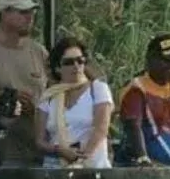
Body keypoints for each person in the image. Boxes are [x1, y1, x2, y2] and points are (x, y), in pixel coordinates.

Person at [0, 0, 48, 166]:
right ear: (3, 14)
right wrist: (6, 96)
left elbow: (54, 96)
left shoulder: (39, 52)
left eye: (32, 12)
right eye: (23, 12)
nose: (30, 17)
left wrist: (37, 108)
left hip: (39, 150)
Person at [118, 33, 170, 166]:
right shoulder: (137, 88)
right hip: (146, 169)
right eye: (168, 60)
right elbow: (133, 126)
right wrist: (143, 159)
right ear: (150, 59)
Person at [36, 37, 114, 169]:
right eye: (69, 62)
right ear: (57, 68)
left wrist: (80, 161)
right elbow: (40, 141)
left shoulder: (98, 89)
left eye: (80, 60)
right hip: (56, 171)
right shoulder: (48, 97)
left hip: (92, 171)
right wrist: (59, 150)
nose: (76, 66)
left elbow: (101, 129)